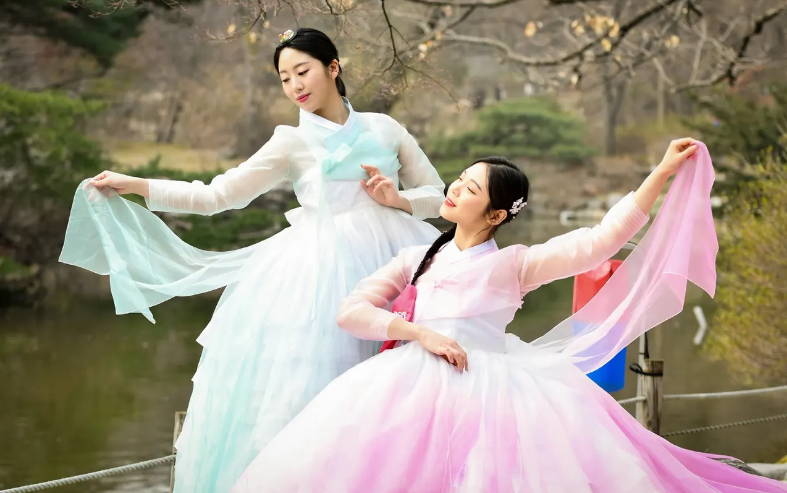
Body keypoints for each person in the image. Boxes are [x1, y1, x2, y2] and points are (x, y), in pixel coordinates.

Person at [231, 140, 787, 493]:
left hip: (492, 388)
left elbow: (600, 242)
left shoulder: (516, 266)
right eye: (458, 181)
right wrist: (417, 331)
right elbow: (350, 313)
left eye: (469, 189)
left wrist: (660, 174)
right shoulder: (415, 257)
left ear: (496, 214)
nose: (453, 190)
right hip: (405, 383)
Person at [59, 28, 445, 492]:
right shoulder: (290, 141)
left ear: (333, 67)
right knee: (316, 384)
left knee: (403, 382)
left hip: (397, 260)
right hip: (320, 274)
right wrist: (138, 185)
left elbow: (437, 195)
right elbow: (217, 195)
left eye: (302, 71)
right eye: (284, 78)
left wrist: (396, 198)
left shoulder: (386, 128)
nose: (295, 86)